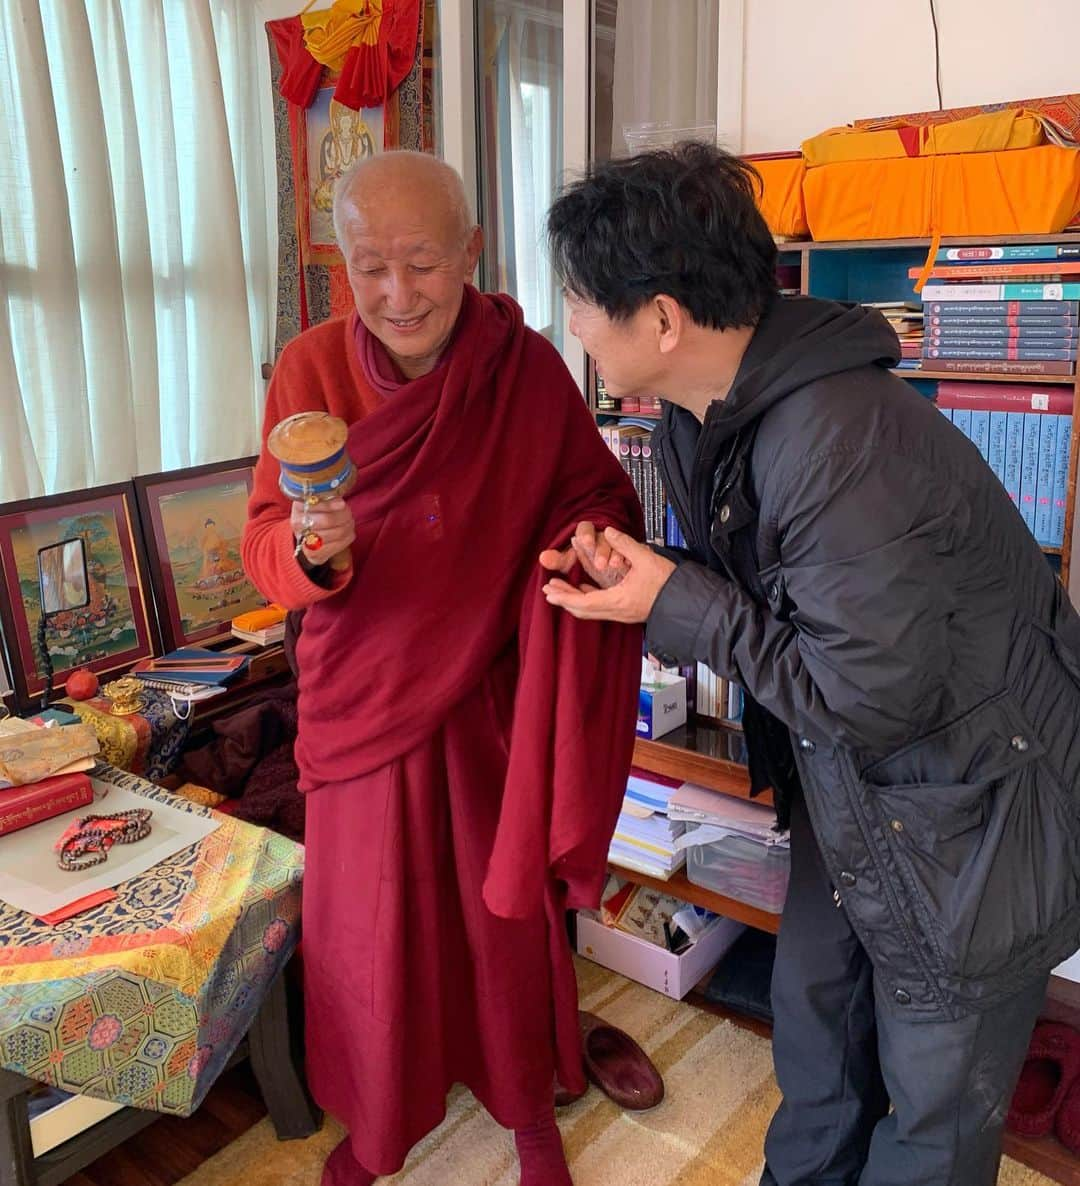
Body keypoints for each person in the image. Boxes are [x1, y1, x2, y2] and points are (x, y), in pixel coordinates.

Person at [541, 142, 1080, 1186]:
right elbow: (771, 597)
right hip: (855, 795)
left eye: (579, 298)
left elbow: (866, 691)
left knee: (933, 1111)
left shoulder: (842, 441)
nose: (569, 321)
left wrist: (675, 599)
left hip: (972, 820)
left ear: (660, 318)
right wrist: (649, 578)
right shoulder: (710, 412)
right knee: (818, 1031)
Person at [242, 150, 643, 1186]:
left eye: (421, 263)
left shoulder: (525, 365)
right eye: (370, 266)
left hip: (485, 693)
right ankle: (378, 1126)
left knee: (498, 919)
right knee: (367, 934)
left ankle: (525, 1107)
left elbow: (586, 494)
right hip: (359, 695)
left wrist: (588, 541)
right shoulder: (308, 371)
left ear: (471, 250)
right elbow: (262, 546)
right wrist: (311, 551)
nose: (396, 294)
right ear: (343, 265)